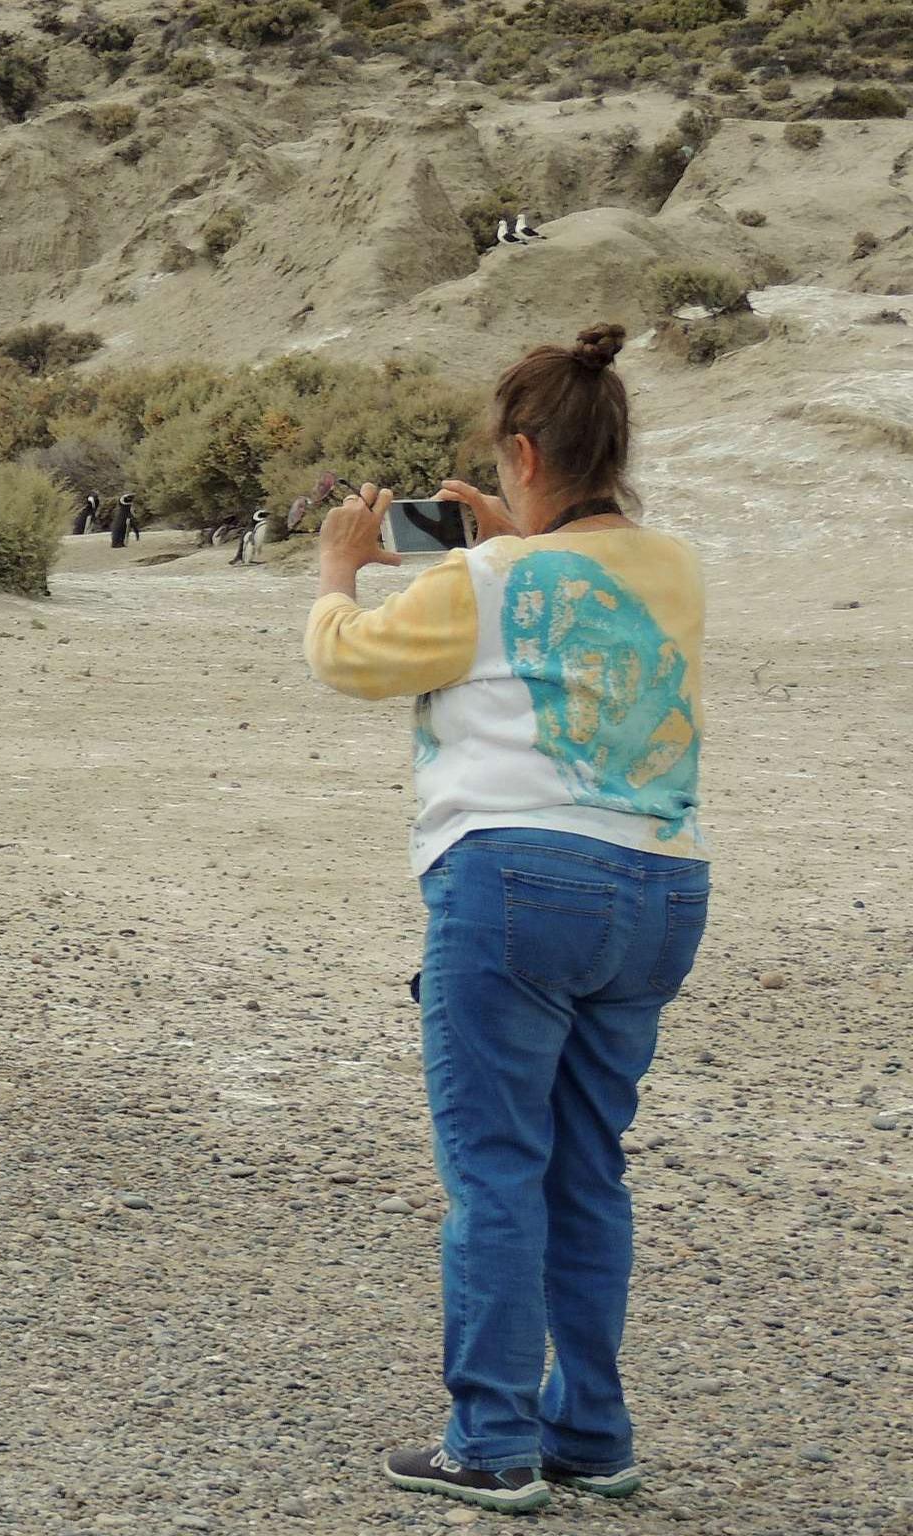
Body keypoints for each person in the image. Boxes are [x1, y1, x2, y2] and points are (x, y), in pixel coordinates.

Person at [303, 324, 709, 1516]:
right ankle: (591, 1427)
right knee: (589, 1170)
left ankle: (490, 1439)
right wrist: (516, 536)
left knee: (494, 1172)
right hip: (662, 886)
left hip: (516, 883)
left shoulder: (479, 581)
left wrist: (337, 571)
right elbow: (579, 583)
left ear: (520, 453)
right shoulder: (678, 567)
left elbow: (351, 660)